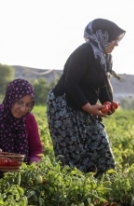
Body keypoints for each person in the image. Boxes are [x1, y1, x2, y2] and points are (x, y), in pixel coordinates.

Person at [46, 18, 126, 176]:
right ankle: (74, 195)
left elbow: (102, 84)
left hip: (84, 107)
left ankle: (102, 192)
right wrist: (88, 107)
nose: (116, 44)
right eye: (114, 40)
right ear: (103, 37)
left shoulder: (105, 57)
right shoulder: (84, 52)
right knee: (74, 157)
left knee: (102, 150)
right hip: (64, 107)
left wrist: (107, 103)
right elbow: (71, 83)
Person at [0, 79, 43, 164]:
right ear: (10, 98)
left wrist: (32, 166)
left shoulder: (29, 119)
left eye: (28, 105)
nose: (23, 109)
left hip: (23, 170)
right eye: (19, 102)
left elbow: (36, 149)